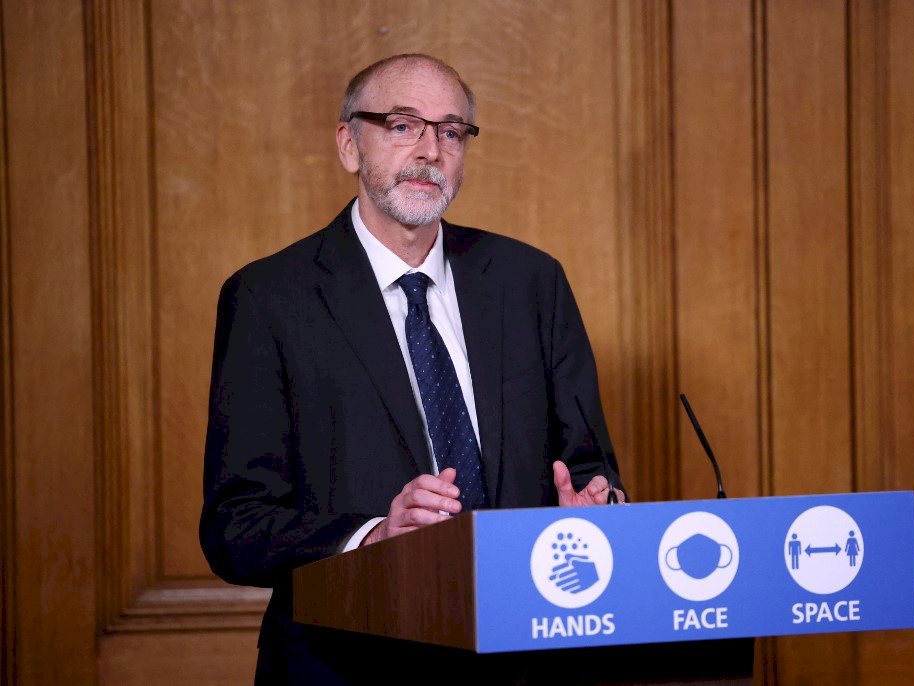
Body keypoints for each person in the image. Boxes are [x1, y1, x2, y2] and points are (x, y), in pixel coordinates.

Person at [199, 53, 625, 685]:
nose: (431, 150)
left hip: (524, 654)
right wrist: (374, 538)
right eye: (403, 126)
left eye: (451, 132)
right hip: (349, 663)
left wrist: (593, 506)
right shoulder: (269, 299)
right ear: (349, 145)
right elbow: (235, 526)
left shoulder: (531, 282)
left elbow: (588, 468)